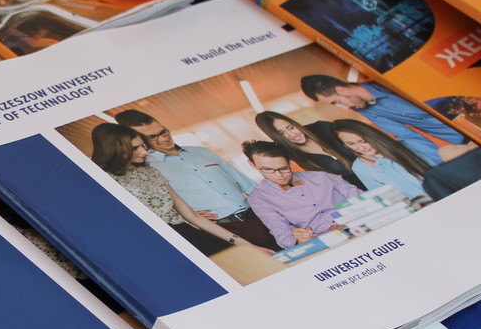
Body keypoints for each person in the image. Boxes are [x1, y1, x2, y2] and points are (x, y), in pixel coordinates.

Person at [90, 123, 265, 257]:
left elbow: (192, 216)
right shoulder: (103, 180)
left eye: (143, 145)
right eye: (135, 148)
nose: (145, 151)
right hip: (155, 245)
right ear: (114, 148)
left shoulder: (151, 171)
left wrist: (246, 245)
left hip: (190, 235)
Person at [115, 108, 280, 249]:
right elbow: (161, 208)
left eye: (163, 131)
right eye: (153, 137)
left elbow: (248, 185)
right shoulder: (148, 169)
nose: (164, 138)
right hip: (221, 231)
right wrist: (187, 219)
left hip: (259, 217)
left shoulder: (201, 152)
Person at [300, 74, 468, 167]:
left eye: (336, 102)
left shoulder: (385, 81)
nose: (344, 108)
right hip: (464, 140)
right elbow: (407, 136)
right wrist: (443, 163)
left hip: (470, 112)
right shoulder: (366, 110)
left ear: (341, 90)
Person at [243, 140, 364, 249]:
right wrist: (299, 240)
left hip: (360, 225)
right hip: (324, 244)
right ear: (252, 165)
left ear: (289, 162)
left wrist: (350, 221)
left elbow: (363, 199)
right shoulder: (259, 199)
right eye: (267, 169)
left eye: (284, 168)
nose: (279, 175)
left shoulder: (321, 177)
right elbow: (282, 233)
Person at [333, 119, 430, 201]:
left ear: (372, 136)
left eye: (363, 141)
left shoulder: (404, 146)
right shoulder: (359, 167)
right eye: (351, 144)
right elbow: (385, 197)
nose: (361, 148)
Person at [254, 110, 355, 179]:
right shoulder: (290, 155)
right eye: (282, 134)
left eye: (290, 127)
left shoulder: (323, 128)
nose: (292, 134)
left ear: (294, 123)